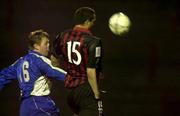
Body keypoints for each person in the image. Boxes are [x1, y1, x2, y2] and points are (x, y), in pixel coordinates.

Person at [0, 29, 67, 116]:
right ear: (36, 46)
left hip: (24, 107)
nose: (48, 45)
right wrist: (79, 80)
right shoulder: (40, 60)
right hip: (39, 104)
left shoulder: (19, 62)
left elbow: (3, 76)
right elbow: (57, 73)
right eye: (46, 43)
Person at [52, 7, 103, 116]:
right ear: (87, 22)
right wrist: (97, 95)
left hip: (70, 93)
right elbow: (90, 71)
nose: (93, 24)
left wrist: (67, 74)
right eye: (93, 21)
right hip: (86, 91)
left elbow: (54, 59)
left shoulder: (62, 36)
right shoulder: (93, 41)